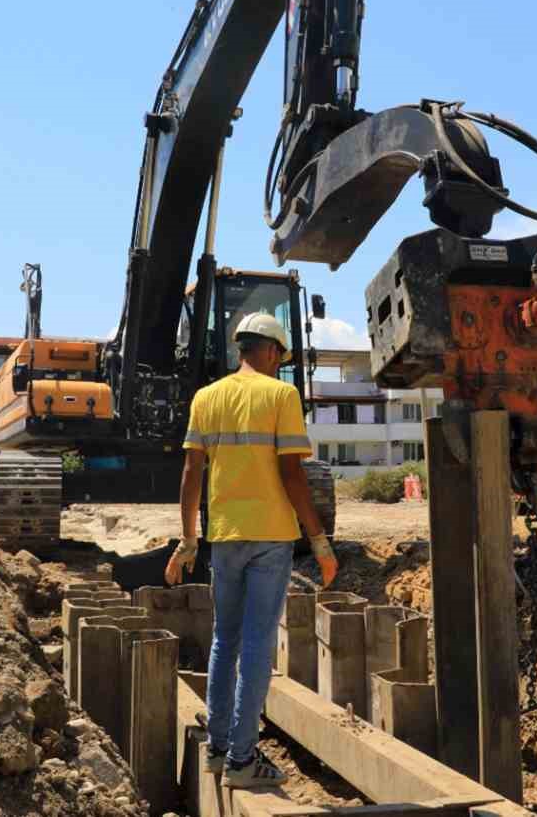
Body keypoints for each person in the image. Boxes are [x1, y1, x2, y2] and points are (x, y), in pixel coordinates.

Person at [164, 311, 339, 787]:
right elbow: (292, 475)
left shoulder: (206, 398)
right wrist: (319, 540)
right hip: (270, 538)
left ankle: (219, 750)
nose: (281, 364)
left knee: (225, 640)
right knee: (259, 644)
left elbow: (190, 474)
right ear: (269, 351)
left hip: (224, 536)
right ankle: (243, 759)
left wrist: (187, 539)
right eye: (280, 356)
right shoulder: (282, 395)